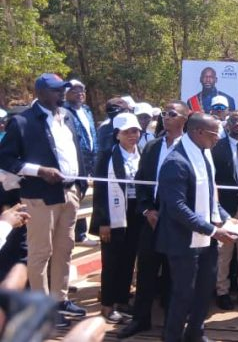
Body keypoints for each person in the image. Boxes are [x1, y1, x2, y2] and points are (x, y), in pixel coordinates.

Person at [0, 73, 88, 328]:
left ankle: (59, 300)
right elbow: (6, 159)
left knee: (65, 248)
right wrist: (39, 171)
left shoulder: (67, 115)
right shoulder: (22, 121)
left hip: (69, 193)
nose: (62, 94)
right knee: (40, 253)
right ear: (40, 92)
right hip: (39, 195)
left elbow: (75, 151)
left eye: (63, 89)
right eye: (56, 90)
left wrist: (80, 185)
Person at [155, 113, 238, 342]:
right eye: (215, 134)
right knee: (183, 294)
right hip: (183, 241)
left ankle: (195, 333)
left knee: (204, 292)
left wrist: (226, 217)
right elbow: (177, 207)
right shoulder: (176, 162)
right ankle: (172, 337)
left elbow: (211, 197)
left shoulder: (203, 155)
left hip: (206, 240)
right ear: (198, 132)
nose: (219, 138)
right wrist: (213, 230)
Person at [117, 101, 188, 339]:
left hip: (179, 219)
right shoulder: (152, 147)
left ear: (185, 119)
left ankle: (171, 323)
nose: (165, 117)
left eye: (172, 114)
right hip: (152, 217)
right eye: (164, 113)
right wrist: (147, 210)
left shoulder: (192, 148)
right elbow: (142, 181)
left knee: (172, 274)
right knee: (146, 269)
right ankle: (140, 319)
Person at [91, 113, 143, 323]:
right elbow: (100, 190)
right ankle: (107, 305)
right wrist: (103, 221)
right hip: (113, 214)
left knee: (129, 258)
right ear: (117, 134)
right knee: (112, 260)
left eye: (135, 131)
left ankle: (123, 300)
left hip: (135, 212)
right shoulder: (107, 156)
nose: (133, 135)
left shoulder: (142, 153)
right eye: (127, 131)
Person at [211, 110, 238, 311]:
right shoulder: (216, 148)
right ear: (227, 124)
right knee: (224, 253)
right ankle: (222, 292)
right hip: (225, 210)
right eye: (234, 121)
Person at [63, 79, 99, 246]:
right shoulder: (63, 111)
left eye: (82, 90)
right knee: (76, 194)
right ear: (66, 93)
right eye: (75, 90)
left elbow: (91, 134)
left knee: (83, 195)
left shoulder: (86, 110)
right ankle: (76, 234)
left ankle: (81, 233)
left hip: (91, 159)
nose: (80, 94)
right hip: (76, 160)